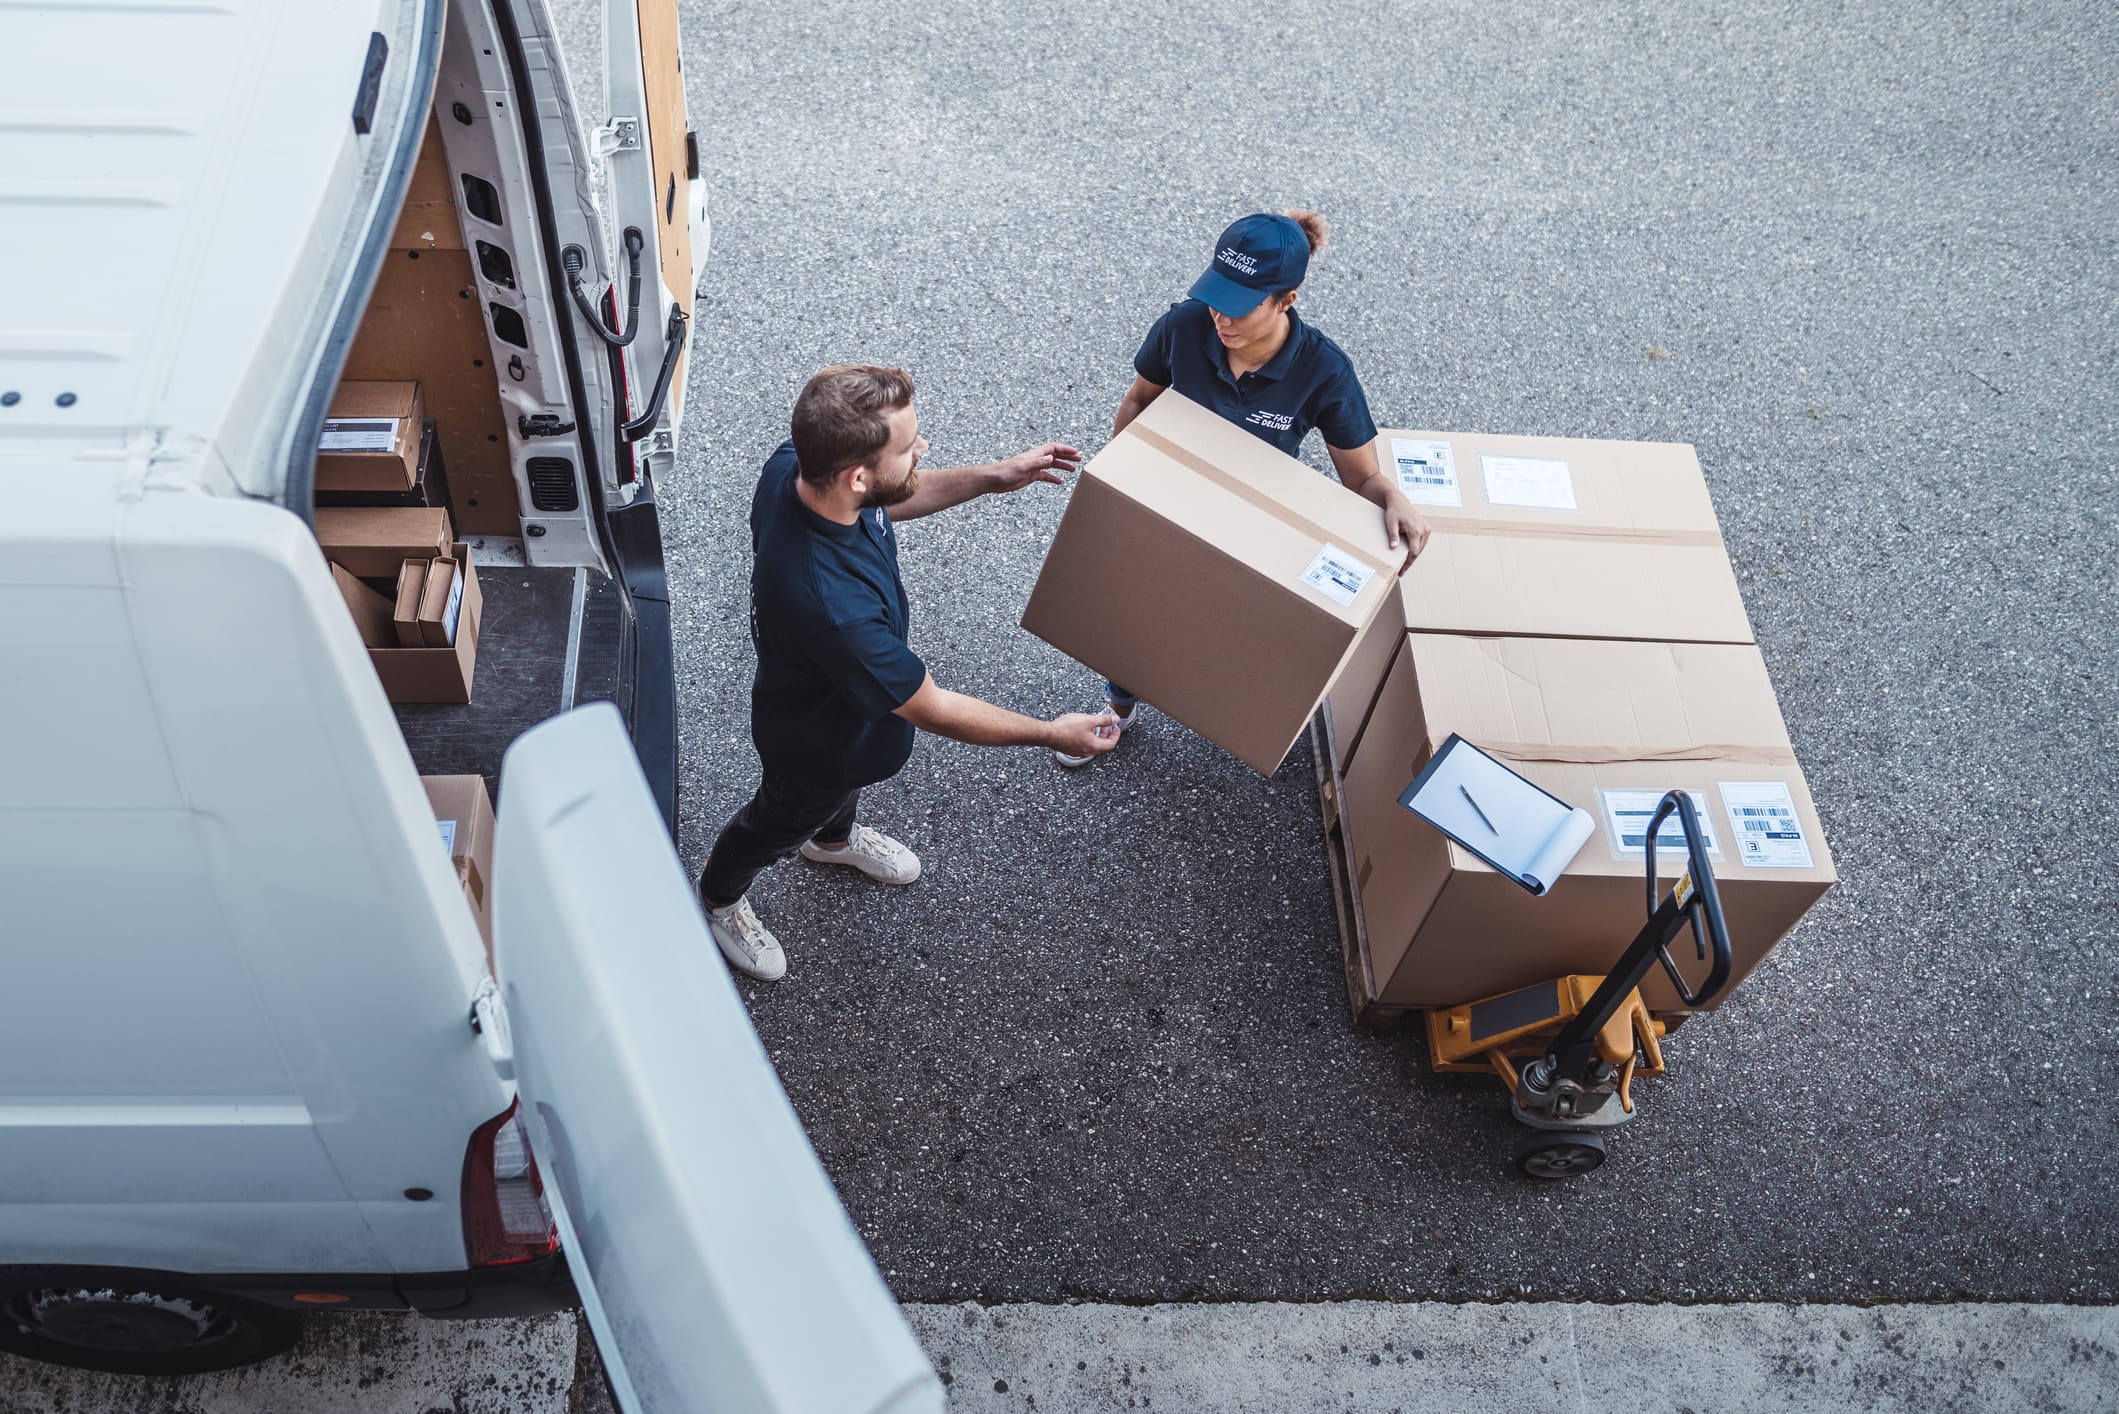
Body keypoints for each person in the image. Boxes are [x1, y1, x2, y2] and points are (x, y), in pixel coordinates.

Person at [699, 364, 1119, 981]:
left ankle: (832, 843)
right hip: (815, 743)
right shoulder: (834, 611)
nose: (923, 448)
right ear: (858, 474)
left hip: (855, 714)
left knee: (839, 795)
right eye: (908, 445)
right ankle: (719, 899)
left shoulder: (796, 467)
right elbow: (934, 708)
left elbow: (891, 498)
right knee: (780, 818)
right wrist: (1055, 734)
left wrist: (991, 476)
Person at [1056, 209, 1431, 768]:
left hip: (1254, 519)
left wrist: (1392, 498)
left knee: (1225, 623)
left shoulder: (1325, 371)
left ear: (1286, 300)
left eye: (1241, 303)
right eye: (1217, 293)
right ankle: (1119, 706)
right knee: (1137, 612)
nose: (1220, 315)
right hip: (1171, 499)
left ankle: (1225, 712)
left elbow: (1362, 478)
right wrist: (1122, 478)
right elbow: (1139, 400)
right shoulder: (1183, 327)